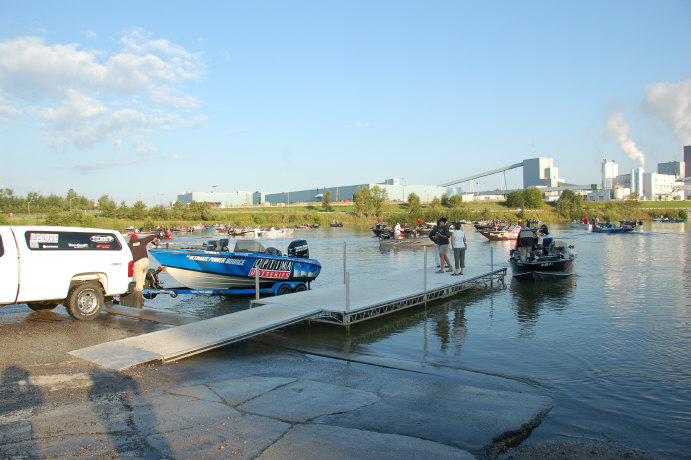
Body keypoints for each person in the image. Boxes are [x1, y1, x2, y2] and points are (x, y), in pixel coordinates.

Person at [128, 233, 158, 308]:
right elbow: (150, 237)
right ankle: (142, 287)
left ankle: (139, 299)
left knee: (138, 281)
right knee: (143, 276)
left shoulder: (129, 245)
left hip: (137, 263)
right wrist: (154, 237)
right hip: (145, 261)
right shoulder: (142, 241)